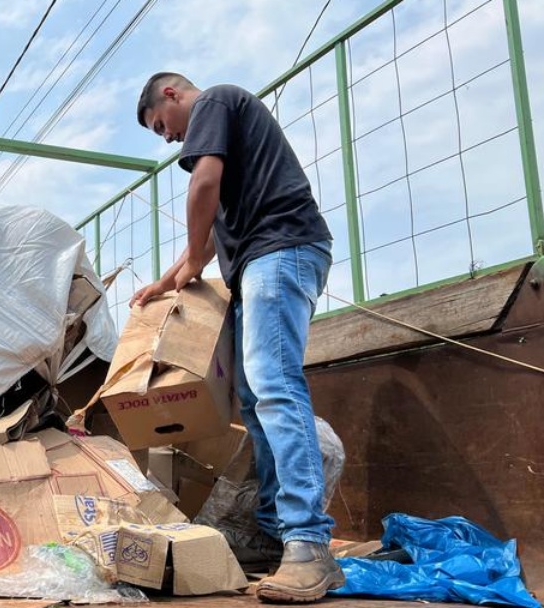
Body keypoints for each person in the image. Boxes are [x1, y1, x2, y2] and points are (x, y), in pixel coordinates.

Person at [132, 73, 344, 603]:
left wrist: (196, 256)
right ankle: (273, 533)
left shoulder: (216, 102)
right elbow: (203, 236)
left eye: (162, 125)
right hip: (258, 260)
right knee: (251, 398)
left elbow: (202, 186)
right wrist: (166, 278)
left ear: (174, 95)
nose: (168, 139)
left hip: (282, 249)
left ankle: (308, 543)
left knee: (274, 384)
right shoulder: (227, 141)